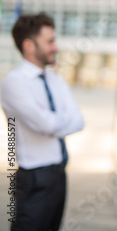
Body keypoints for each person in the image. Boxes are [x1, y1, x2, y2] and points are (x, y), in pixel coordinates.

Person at [1, 12, 85, 231]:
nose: (55, 47)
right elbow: (45, 124)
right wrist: (56, 121)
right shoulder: (13, 82)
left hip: (59, 174)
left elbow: (79, 121)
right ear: (29, 45)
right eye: (50, 41)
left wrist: (52, 121)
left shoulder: (55, 79)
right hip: (34, 179)